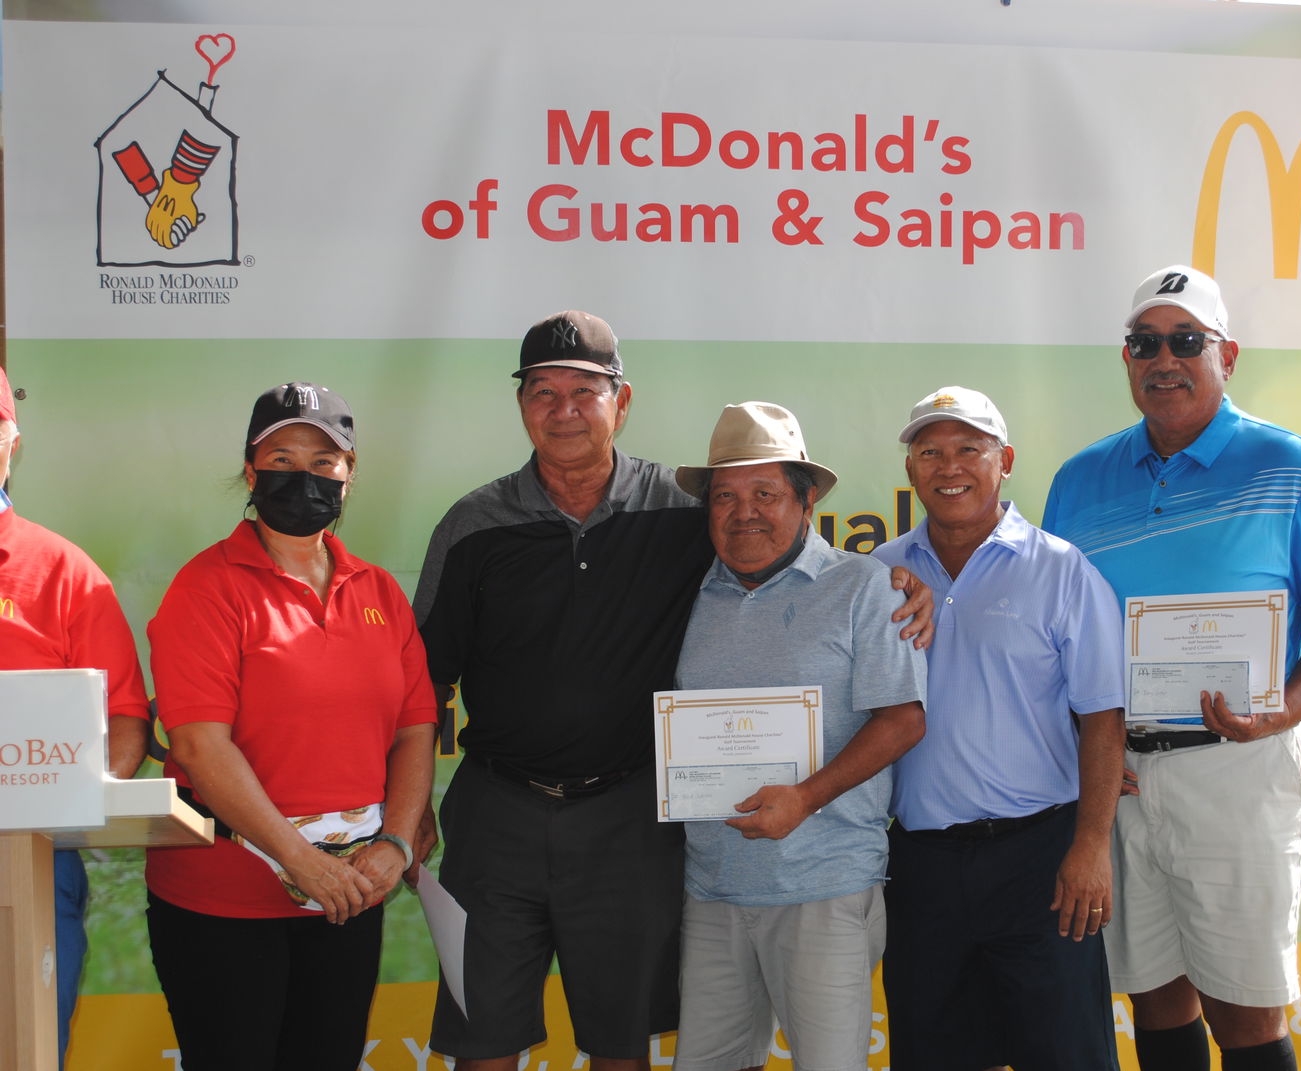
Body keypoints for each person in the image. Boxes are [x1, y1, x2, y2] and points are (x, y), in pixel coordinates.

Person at [413, 312, 931, 1071]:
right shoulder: (472, 523)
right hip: (500, 815)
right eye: (544, 391)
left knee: (622, 1041)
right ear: (522, 404)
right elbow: (424, 679)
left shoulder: (682, 514)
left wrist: (896, 577)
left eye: (585, 390)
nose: (565, 409)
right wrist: (412, 804)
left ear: (621, 402)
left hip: (630, 819)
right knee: (483, 1039)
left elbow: (784, 548)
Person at [1042, 266, 1301, 1071]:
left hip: (1238, 768)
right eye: (1145, 342)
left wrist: (1285, 709)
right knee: (1155, 998)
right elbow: (1045, 622)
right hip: (1118, 777)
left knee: (1246, 1011)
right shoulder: (1080, 479)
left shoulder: (1290, 466)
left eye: (1186, 340)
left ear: (1227, 353)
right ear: (1126, 359)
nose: (1165, 358)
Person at [144, 381, 436, 1071]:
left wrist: (394, 842)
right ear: (250, 471)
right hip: (222, 905)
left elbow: (415, 727)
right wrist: (302, 861)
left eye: (323, 460)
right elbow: (199, 744)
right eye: (282, 456)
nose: (303, 475)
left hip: (349, 898)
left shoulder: (379, 591)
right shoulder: (206, 587)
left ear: (349, 474)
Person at [872, 386, 1125, 1071]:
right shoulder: (875, 576)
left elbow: (1104, 718)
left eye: (968, 448)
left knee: (1068, 1055)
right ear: (911, 469)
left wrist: (1092, 846)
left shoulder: (1062, 570)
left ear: (1004, 459)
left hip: (1041, 863)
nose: (948, 465)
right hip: (921, 866)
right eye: (930, 451)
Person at [669, 401, 927, 1071]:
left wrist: (806, 797)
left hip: (824, 887)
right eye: (724, 496)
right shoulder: (686, 593)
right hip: (713, 890)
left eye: (765, 492)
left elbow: (903, 718)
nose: (743, 511)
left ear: (806, 499)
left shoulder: (865, 588)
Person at [0, 365, 152, 1069]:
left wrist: (77, 794)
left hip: (29, 861)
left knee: (26, 1049)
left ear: (11, 440)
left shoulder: (63, 571)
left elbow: (126, 719)